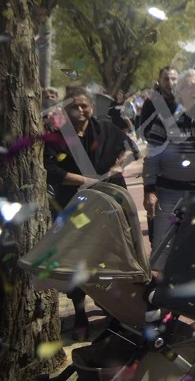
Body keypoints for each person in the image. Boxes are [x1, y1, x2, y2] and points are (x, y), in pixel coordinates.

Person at [43, 86, 130, 337]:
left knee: (108, 256)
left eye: (84, 105)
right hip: (73, 204)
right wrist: (85, 181)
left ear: (91, 106)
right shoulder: (57, 135)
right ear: (64, 108)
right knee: (77, 260)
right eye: (74, 106)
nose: (80, 111)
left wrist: (116, 166)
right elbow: (51, 170)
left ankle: (114, 311)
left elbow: (127, 144)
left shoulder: (104, 128)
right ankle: (80, 310)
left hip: (107, 201)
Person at [142, 69, 195, 270]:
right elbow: (151, 157)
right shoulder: (164, 120)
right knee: (162, 251)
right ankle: (158, 296)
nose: (194, 89)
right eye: (188, 86)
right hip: (169, 195)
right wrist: (149, 190)